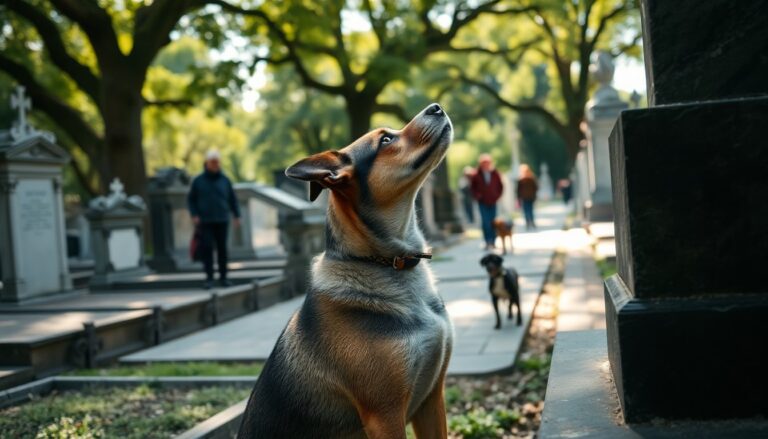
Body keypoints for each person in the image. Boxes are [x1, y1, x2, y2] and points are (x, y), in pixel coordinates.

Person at [188, 150, 241, 289]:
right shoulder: (198, 181)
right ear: (207, 163)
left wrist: (237, 215)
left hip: (222, 220)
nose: (216, 165)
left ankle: (224, 278)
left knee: (222, 249)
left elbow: (232, 200)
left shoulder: (225, 180)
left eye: (217, 162)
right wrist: (194, 214)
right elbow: (191, 200)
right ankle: (209, 278)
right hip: (205, 221)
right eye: (213, 162)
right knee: (207, 250)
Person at [471, 154, 504, 250]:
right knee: (485, 222)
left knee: (493, 222)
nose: (486, 165)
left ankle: (493, 241)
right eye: (484, 163)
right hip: (482, 202)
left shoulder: (495, 173)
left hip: (493, 201)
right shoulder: (476, 174)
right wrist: (478, 196)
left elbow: (500, 186)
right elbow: (473, 188)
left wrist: (497, 196)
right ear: (481, 164)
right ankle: (487, 241)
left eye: (487, 163)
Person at [516, 164, 538, 230]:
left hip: (530, 197)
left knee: (530, 210)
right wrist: (519, 197)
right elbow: (518, 190)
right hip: (524, 197)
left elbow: (535, 187)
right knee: (526, 210)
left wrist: (533, 194)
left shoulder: (531, 179)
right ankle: (527, 222)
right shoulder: (521, 180)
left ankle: (532, 221)